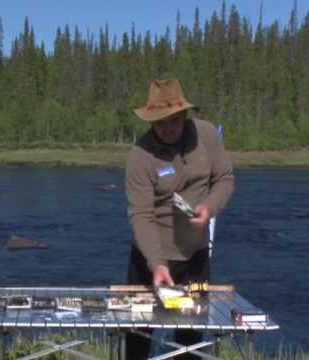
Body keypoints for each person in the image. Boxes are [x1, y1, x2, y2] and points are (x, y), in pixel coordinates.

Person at [125, 78, 234, 359]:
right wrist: (157, 263)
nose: (166, 128)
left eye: (172, 120)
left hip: (196, 258)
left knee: (190, 343)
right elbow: (141, 215)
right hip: (149, 262)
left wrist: (209, 207)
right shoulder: (140, 155)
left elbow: (224, 179)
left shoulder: (207, 135)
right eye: (159, 122)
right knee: (137, 338)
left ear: (184, 114)